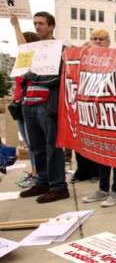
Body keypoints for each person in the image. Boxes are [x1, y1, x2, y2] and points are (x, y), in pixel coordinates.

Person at [15, 11, 69, 203]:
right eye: (35, 23)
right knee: (36, 147)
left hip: (47, 105)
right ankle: (43, 182)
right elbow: (22, 69)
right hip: (29, 104)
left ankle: (58, 186)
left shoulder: (60, 49)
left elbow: (60, 77)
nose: (37, 27)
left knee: (52, 148)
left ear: (51, 26)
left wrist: (34, 77)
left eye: (41, 24)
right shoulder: (32, 49)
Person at [80, 29, 116, 207]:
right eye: (94, 39)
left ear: (108, 42)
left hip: (114, 113)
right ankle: (103, 188)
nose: (97, 42)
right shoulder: (86, 61)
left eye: (101, 39)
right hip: (96, 114)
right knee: (102, 154)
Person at [7, 26, 41, 188]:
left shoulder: (34, 61)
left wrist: (16, 25)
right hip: (19, 104)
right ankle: (34, 172)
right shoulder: (21, 61)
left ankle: (37, 173)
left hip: (28, 103)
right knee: (28, 143)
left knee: (33, 142)